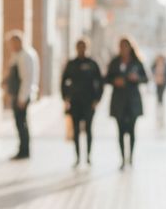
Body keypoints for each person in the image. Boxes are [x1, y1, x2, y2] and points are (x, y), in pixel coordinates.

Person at [105, 37, 148, 169]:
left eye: (126, 46)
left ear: (130, 47)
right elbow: (106, 78)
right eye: (121, 46)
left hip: (133, 101)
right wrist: (115, 81)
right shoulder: (114, 62)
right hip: (118, 101)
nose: (123, 49)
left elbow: (146, 78)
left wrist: (136, 78)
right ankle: (123, 159)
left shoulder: (136, 62)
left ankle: (131, 157)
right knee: (121, 130)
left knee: (132, 130)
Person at [60, 38, 103, 166]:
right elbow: (63, 81)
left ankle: (88, 156)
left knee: (89, 129)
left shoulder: (92, 63)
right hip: (75, 102)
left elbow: (100, 82)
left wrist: (97, 99)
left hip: (89, 102)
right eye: (79, 46)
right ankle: (78, 157)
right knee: (76, 130)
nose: (81, 49)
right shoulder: (71, 64)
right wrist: (65, 98)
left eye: (83, 46)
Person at [3, 31, 40, 160]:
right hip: (17, 95)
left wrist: (22, 98)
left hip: (22, 96)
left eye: (12, 43)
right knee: (19, 123)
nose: (11, 47)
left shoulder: (26, 56)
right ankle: (22, 149)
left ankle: (24, 151)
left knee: (22, 123)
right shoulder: (17, 55)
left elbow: (27, 78)